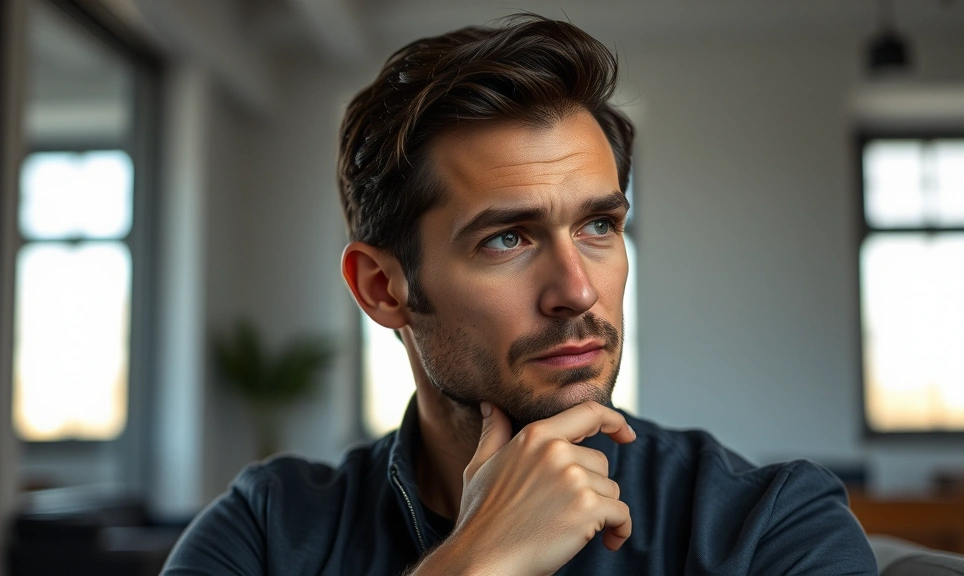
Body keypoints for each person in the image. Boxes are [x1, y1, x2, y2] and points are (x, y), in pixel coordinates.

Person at [163, 14, 877, 576]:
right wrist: (478, 562)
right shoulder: (264, 533)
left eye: (600, 225)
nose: (576, 289)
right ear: (383, 288)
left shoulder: (770, 529)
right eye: (508, 239)